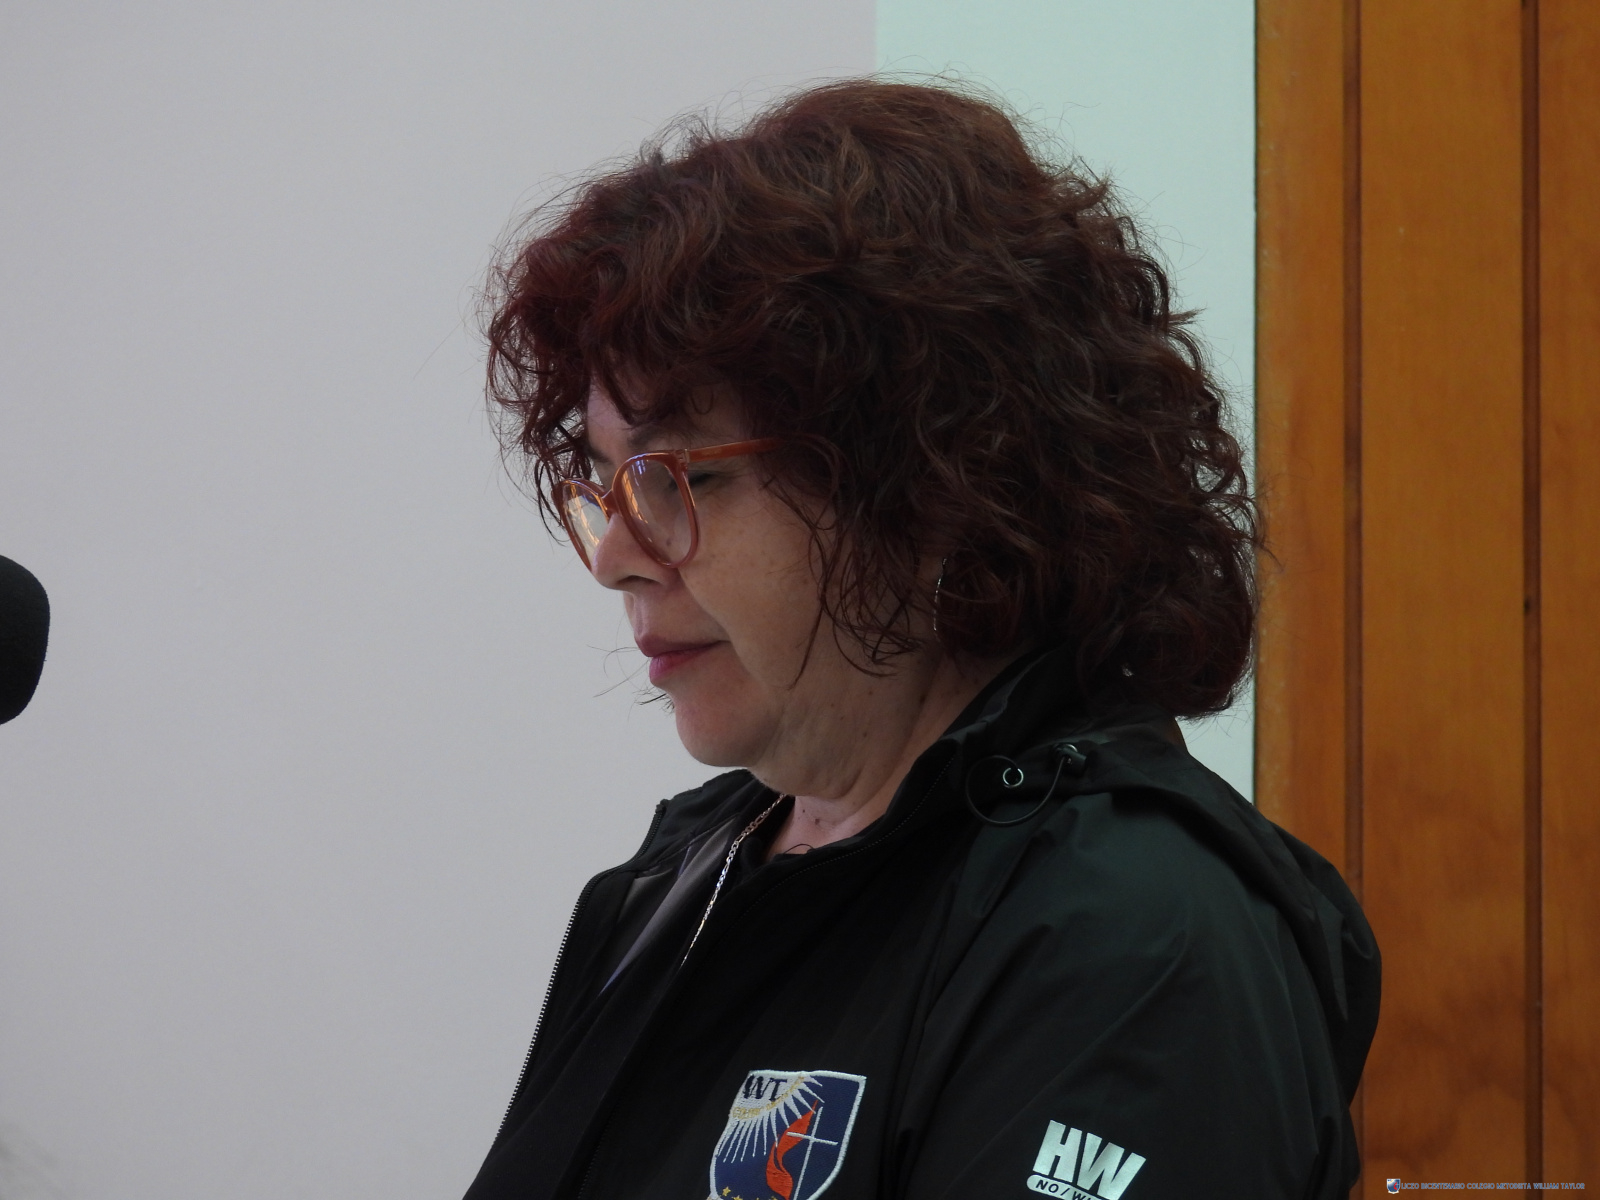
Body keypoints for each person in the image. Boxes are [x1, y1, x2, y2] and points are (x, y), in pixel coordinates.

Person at [463, 80, 1379, 1200]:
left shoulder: (1131, 939)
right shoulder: (688, 876)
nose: (615, 555)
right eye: (608, 484)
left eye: (681, 476)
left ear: (937, 479)